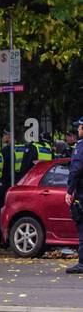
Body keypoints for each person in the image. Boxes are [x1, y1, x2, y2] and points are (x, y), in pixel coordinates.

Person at [65, 117, 83, 274]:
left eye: (80, 127)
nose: (78, 130)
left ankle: (82, 263)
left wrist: (69, 191)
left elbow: (75, 170)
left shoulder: (80, 146)